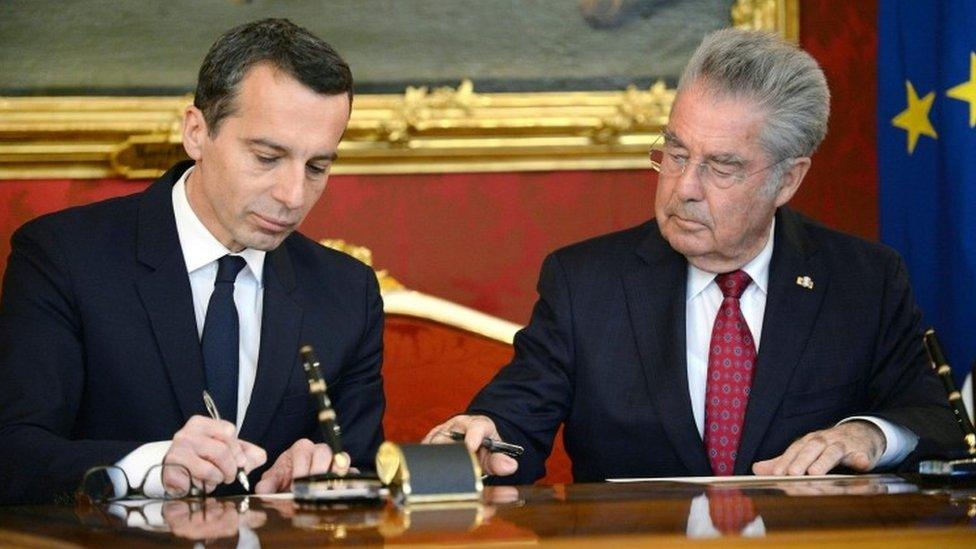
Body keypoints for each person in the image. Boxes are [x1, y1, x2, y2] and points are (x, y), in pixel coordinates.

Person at [425, 29, 961, 483]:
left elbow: (936, 421)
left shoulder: (863, 281)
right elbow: (515, 416)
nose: (684, 187)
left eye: (722, 167)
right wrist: (482, 432)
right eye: (676, 154)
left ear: (788, 179)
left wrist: (864, 433)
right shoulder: (585, 282)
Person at [0, 18, 384, 504]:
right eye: (267, 157)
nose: (293, 196)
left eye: (317, 167)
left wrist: (318, 473)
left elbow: (365, 474)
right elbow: (13, 450)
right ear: (197, 132)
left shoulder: (348, 291)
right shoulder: (63, 257)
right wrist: (148, 465)